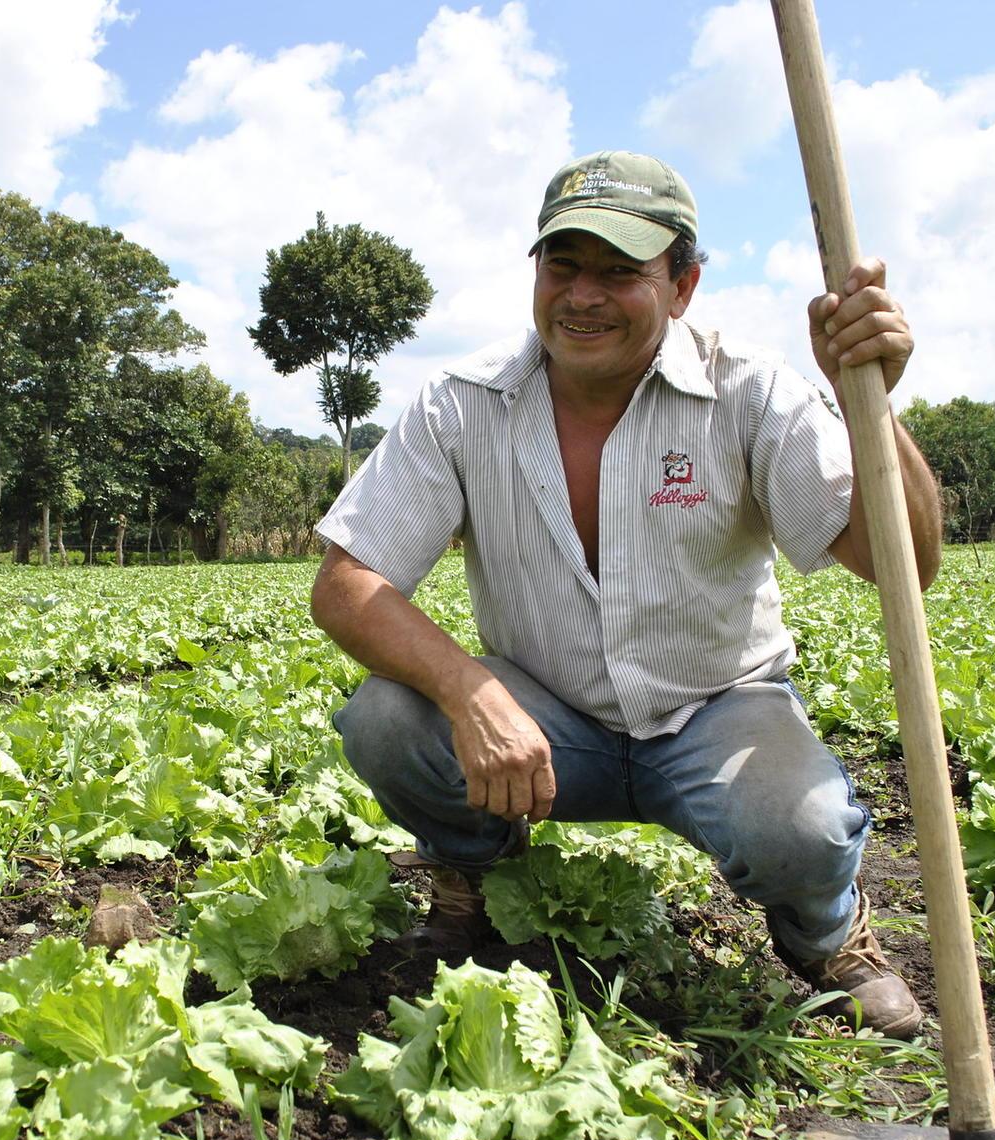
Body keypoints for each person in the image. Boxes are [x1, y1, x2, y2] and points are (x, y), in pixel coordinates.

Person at [309, 150, 943, 1038]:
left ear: (682, 285)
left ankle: (828, 933)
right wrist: (471, 689)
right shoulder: (464, 403)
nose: (583, 296)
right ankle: (474, 871)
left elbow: (904, 567)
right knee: (389, 720)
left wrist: (865, 402)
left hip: (717, 709)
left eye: (620, 272)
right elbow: (346, 585)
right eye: (563, 265)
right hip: (550, 718)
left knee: (798, 828)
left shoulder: (750, 392)